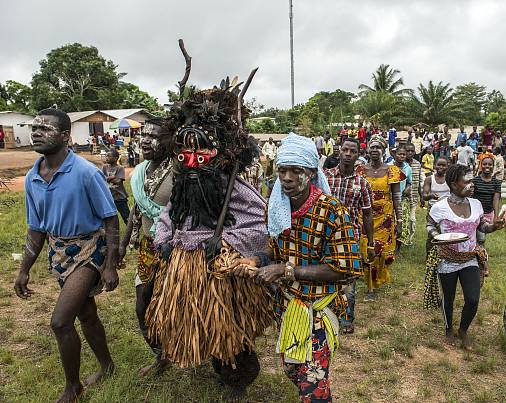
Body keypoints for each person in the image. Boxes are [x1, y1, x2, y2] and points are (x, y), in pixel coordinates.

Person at [145, 76, 273, 400]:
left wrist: (228, 241)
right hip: (184, 269)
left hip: (220, 268)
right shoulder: (183, 188)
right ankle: (219, 363)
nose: (192, 161)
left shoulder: (235, 189)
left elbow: (261, 222)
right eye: (185, 154)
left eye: (201, 154)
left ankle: (239, 378)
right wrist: (163, 241)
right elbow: (166, 216)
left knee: (229, 327)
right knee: (204, 325)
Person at [233, 133, 361, 402]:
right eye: (282, 171)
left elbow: (345, 268)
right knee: (294, 370)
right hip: (289, 307)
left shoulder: (332, 212)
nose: (287, 178)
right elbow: (274, 245)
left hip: (320, 308)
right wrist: (257, 260)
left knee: (311, 385)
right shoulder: (276, 206)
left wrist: (286, 270)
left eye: (296, 171)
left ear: (311, 173)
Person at [14, 108, 119, 403]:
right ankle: (108, 366)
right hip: (59, 252)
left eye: (44, 128)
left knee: (61, 322)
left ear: (64, 136)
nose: (36, 132)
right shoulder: (33, 178)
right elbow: (36, 229)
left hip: (89, 250)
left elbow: (111, 219)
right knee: (86, 314)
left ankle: (73, 387)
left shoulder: (86, 173)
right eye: (34, 128)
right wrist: (24, 269)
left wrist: (110, 265)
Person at [424, 164, 505, 349]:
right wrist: (437, 236)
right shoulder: (440, 207)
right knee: (449, 298)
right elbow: (429, 224)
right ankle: (448, 329)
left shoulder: (475, 204)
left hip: (469, 258)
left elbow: (482, 226)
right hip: (447, 259)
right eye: (467, 181)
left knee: (473, 299)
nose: (472, 184)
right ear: (453, 184)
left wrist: (495, 226)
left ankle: (463, 329)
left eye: (472, 180)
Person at [118, 118, 174, 377]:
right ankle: (161, 356)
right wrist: (122, 242)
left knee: (178, 307)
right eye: (144, 135)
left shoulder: (180, 170)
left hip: (177, 249)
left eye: (154, 136)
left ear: (170, 140)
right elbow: (137, 210)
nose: (146, 140)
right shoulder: (140, 171)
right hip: (148, 248)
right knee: (142, 307)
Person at [325, 137, 375, 334]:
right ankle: (325, 313)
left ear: (358, 155)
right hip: (325, 235)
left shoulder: (362, 184)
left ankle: (347, 319)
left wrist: (370, 243)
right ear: (339, 151)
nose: (347, 154)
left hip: (350, 236)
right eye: (345, 150)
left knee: (348, 281)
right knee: (325, 274)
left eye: (352, 151)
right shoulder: (325, 177)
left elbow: (368, 214)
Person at [357, 136, 404, 300]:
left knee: (381, 252)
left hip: (385, 218)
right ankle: (370, 287)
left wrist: (400, 221)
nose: (374, 150)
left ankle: (377, 280)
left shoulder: (392, 171)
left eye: (378, 147)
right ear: (368, 150)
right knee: (367, 249)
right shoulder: (361, 170)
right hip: (366, 216)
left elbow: (397, 197)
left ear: (383, 150)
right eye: (372, 147)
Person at [472, 157, 501, 271]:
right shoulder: (475, 181)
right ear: (481, 165)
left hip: (488, 214)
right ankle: (483, 264)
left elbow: (496, 199)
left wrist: (496, 216)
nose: (487, 166)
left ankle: (478, 258)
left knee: (481, 238)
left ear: (493, 166)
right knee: (480, 238)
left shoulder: (496, 182)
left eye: (490, 164)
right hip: (476, 214)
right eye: (485, 164)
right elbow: (471, 197)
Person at [400, 143, 424, 245]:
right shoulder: (400, 164)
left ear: (414, 152)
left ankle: (409, 240)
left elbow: (417, 182)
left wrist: (421, 197)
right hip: (402, 198)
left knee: (412, 220)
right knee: (401, 220)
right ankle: (400, 239)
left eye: (412, 151)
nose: (410, 153)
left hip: (413, 197)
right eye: (408, 151)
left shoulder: (417, 164)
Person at [102, 148, 130, 224]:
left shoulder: (120, 168)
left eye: (108, 156)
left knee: (127, 217)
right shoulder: (104, 167)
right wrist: (112, 177)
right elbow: (101, 179)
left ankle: (131, 232)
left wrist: (107, 179)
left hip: (120, 197)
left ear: (115, 158)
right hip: (109, 197)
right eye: (106, 156)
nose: (106, 157)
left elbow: (118, 181)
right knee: (109, 218)